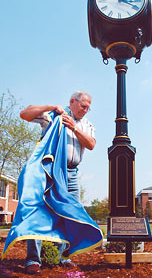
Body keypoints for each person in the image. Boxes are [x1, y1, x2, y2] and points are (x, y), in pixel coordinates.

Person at [20, 90, 96, 275]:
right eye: (83, 106)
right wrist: (51, 107)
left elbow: (91, 144)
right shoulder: (55, 117)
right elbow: (25, 114)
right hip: (50, 171)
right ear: (72, 101)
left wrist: (75, 128)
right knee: (40, 211)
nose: (86, 111)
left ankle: (63, 257)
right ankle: (33, 260)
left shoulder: (87, 124)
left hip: (72, 174)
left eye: (88, 108)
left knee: (70, 213)